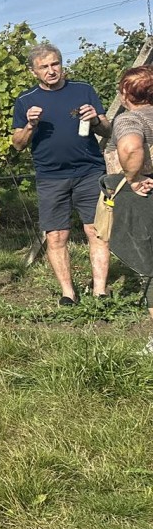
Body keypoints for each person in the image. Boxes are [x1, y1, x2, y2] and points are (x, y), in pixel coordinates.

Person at [12, 43, 112, 305]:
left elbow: (107, 130)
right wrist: (30, 125)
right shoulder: (25, 100)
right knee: (56, 236)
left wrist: (96, 119)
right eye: (44, 66)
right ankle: (68, 293)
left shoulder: (83, 90)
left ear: (61, 64)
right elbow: (18, 144)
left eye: (55, 64)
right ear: (33, 71)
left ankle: (100, 291)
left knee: (97, 231)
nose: (51, 70)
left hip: (89, 171)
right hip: (51, 176)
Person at [110, 66, 153, 347]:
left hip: (146, 197)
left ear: (126, 93)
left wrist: (133, 178)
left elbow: (130, 148)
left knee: (150, 264)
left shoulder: (129, 119)